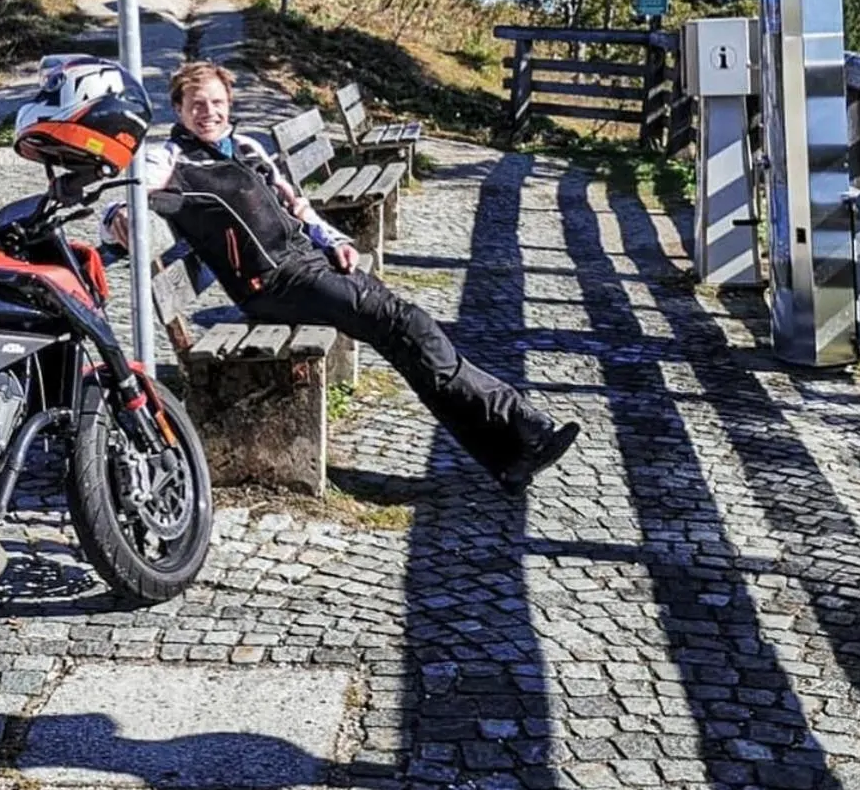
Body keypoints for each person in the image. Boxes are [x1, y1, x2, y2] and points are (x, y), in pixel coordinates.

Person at [104, 61, 580, 494]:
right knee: (405, 323)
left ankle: (507, 455)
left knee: (404, 332)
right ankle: (522, 425)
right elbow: (124, 196)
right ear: (178, 109)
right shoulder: (171, 159)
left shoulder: (247, 147)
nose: (208, 113)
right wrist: (117, 215)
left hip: (307, 262)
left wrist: (334, 240)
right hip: (270, 285)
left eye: (217, 102)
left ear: (230, 104)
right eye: (197, 105)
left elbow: (297, 206)